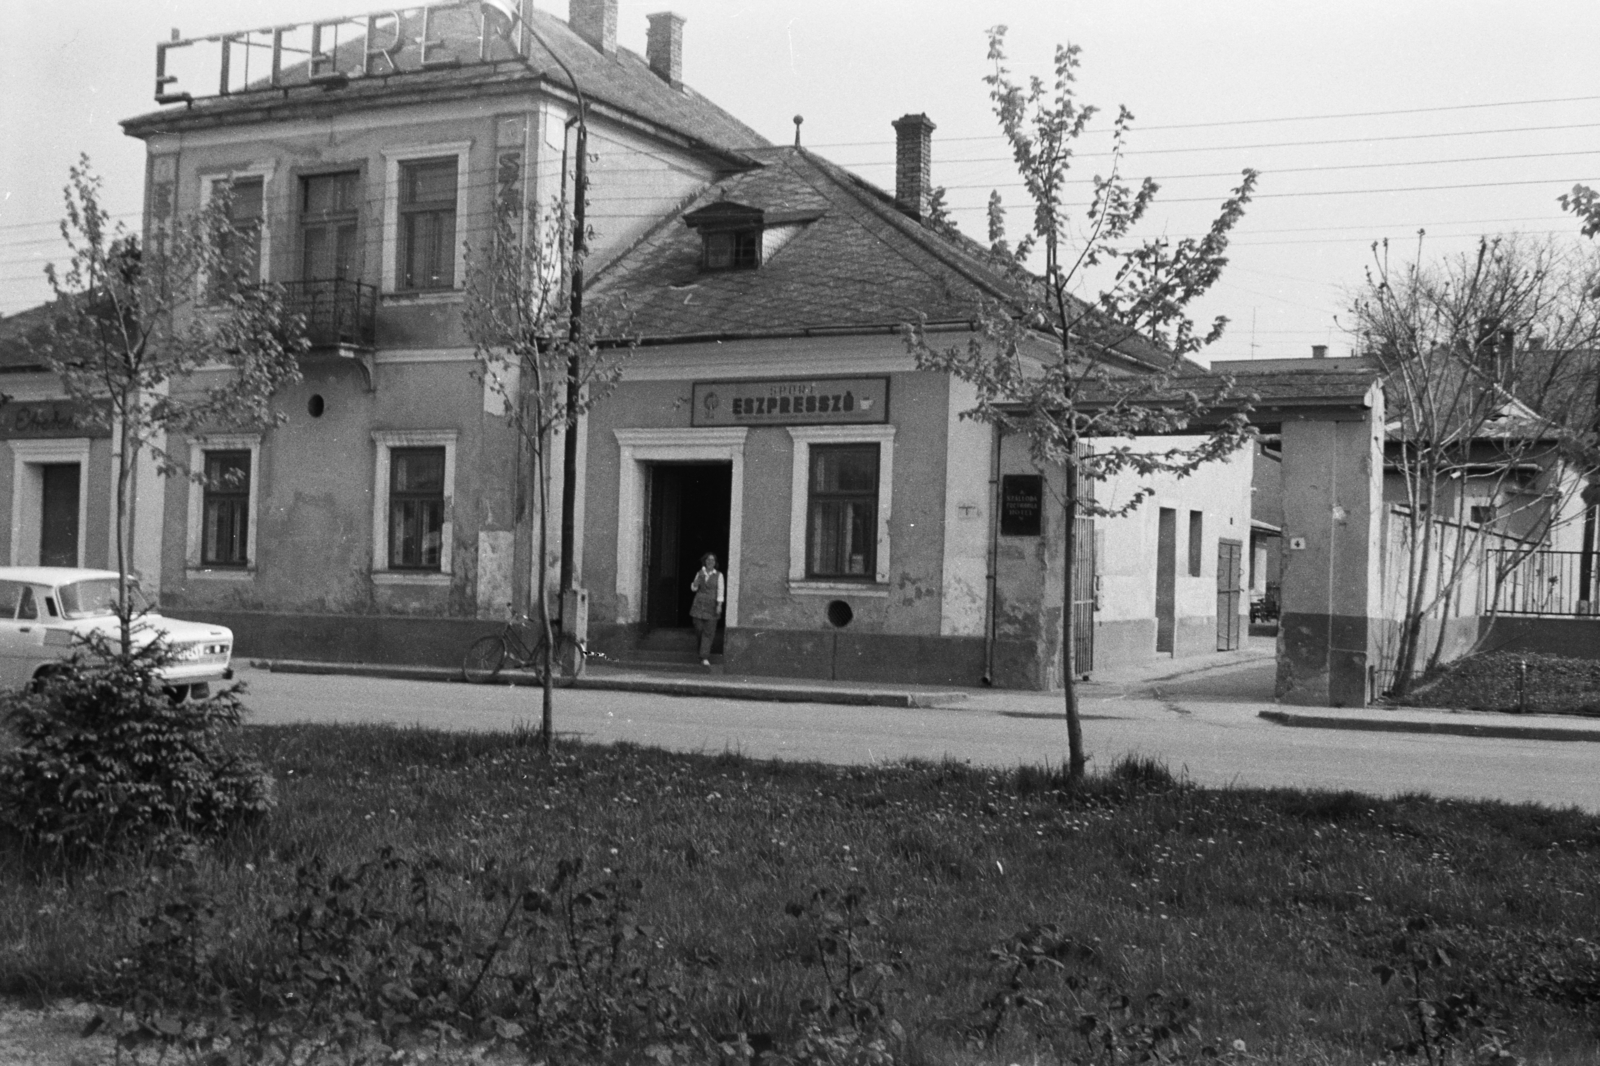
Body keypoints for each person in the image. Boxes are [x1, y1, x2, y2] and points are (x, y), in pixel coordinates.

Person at [689, 552, 724, 667]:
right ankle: (701, 650)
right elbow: (694, 588)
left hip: (712, 606)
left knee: (708, 632)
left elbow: (720, 590)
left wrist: (719, 605)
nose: (710, 562)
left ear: (715, 563)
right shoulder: (700, 573)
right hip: (698, 605)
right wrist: (696, 581)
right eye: (708, 560)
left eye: (712, 560)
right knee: (699, 629)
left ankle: (704, 656)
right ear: (705, 562)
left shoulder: (719, 575)